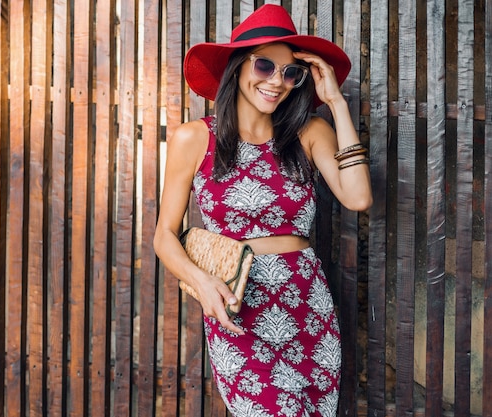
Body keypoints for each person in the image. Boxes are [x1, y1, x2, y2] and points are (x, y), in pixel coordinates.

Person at [153, 4, 372, 416]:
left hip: (308, 305)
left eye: (292, 73)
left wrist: (336, 104)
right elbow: (164, 235)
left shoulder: (309, 132)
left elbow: (358, 197)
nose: (278, 82)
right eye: (265, 66)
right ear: (237, 67)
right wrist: (201, 283)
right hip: (238, 307)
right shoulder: (193, 138)